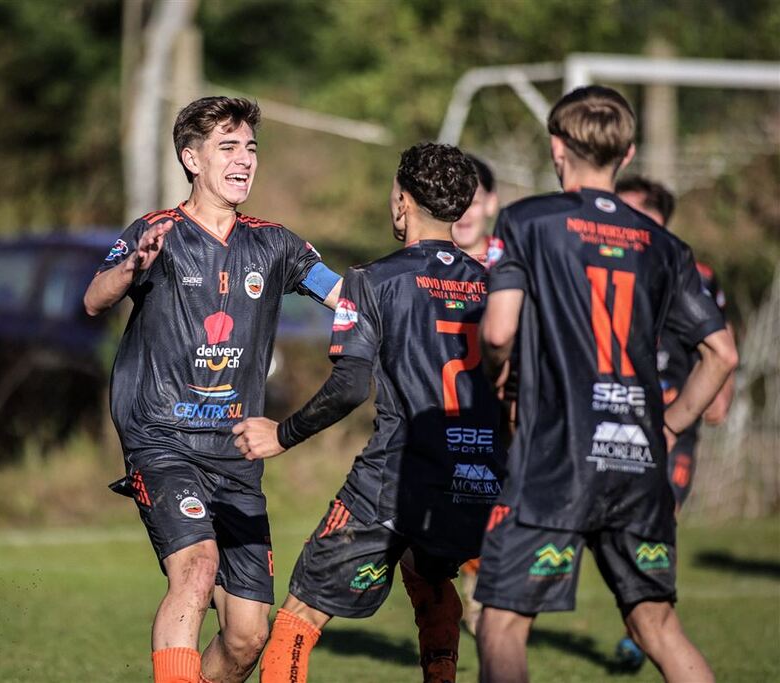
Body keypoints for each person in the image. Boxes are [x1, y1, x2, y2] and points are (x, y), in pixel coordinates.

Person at [473, 85, 738, 683]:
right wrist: (669, 427)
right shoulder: (666, 246)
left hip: (555, 461)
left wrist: (497, 378)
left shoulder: (528, 220)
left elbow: (498, 332)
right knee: (657, 627)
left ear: (556, 147)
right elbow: (722, 354)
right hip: (636, 464)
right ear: (628, 153)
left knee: (502, 625)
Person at [83, 96, 341, 683]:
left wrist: (407, 298)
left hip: (237, 452)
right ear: (192, 159)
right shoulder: (156, 232)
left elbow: (343, 297)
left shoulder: (276, 243)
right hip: (162, 438)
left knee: (247, 636)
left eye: (250, 148)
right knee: (197, 568)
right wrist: (132, 267)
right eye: (228, 147)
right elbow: (94, 298)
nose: (244, 159)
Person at [232, 142, 507, 683]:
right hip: (477, 483)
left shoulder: (373, 280)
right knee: (430, 583)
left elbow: (350, 386)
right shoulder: (494, 285)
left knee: (296, 619)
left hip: (394, 481)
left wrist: (281, 434)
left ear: (403, 201)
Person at [612, 175, 735, 670]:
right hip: (615, 415)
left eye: (633, 213)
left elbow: (721, 342)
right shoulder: (603, 261)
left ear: (660, 220)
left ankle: (646, 625)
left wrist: (720, 391)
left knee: (663, 517)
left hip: (672, 420)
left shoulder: (692, 271)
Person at [448, 152, 501, 637]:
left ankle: (485, 592)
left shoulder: (513, 264)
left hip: (501, 417)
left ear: (492, 203)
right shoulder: (429, 263)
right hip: (441, 416)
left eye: (475, 198)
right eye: (457, 198)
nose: (465, 210)